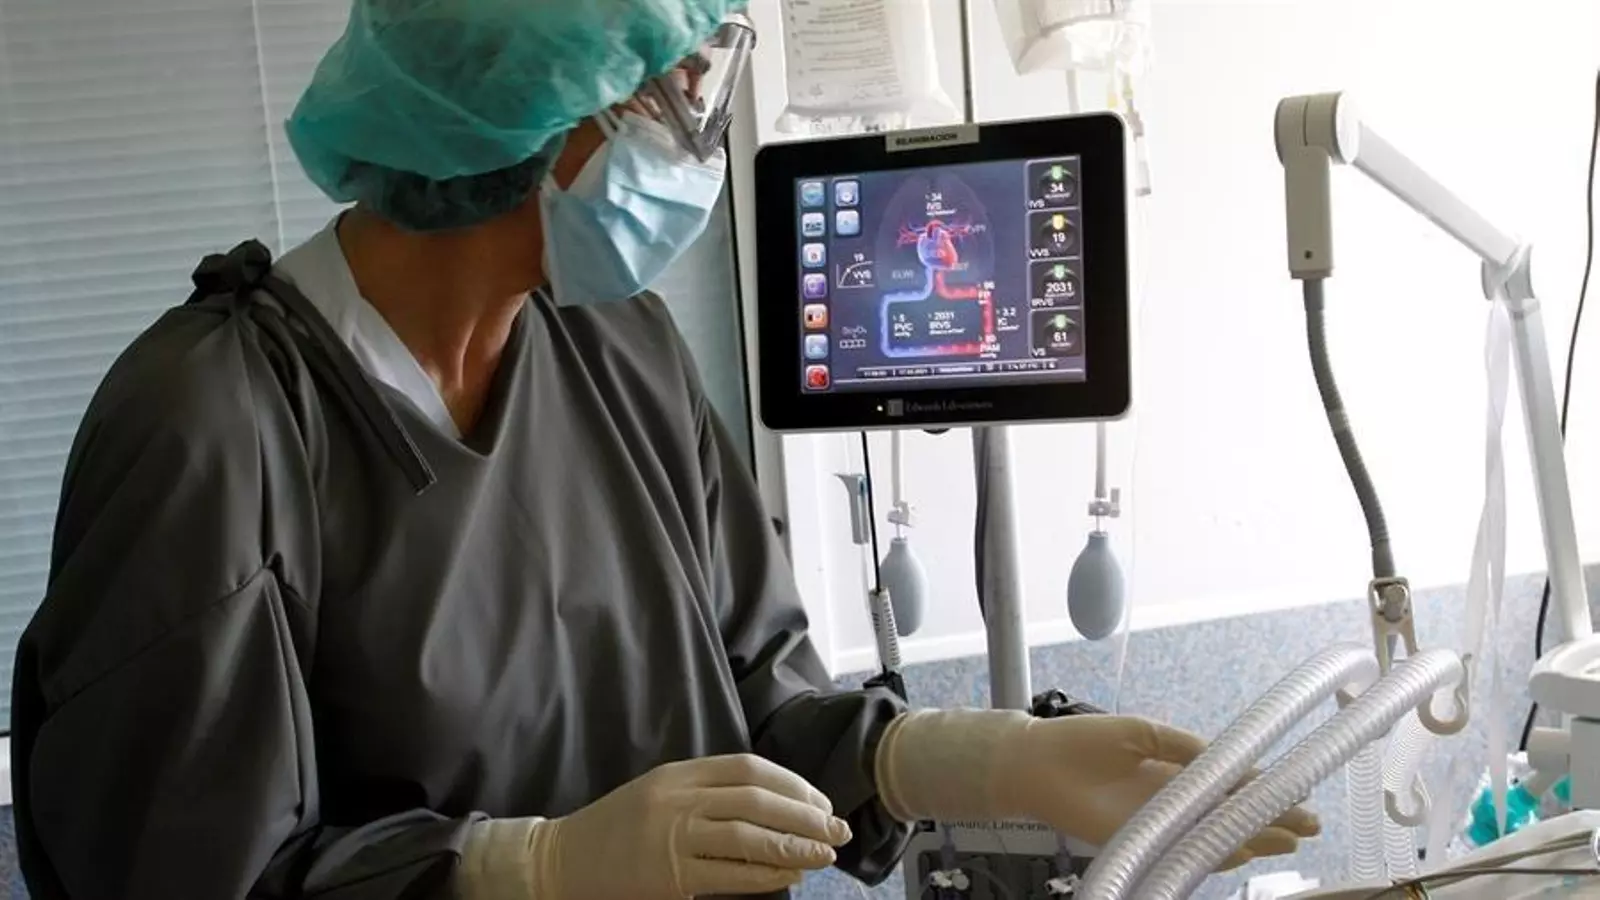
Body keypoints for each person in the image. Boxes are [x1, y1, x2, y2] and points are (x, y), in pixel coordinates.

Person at [9, 2, 1319, 898]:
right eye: (677, 88)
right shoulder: (212, 425)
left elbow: (760, 707)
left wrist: (969, 762)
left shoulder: (618, 346)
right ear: (539, 105)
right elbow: (187, 874)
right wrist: (525, 872)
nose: (701, 132)